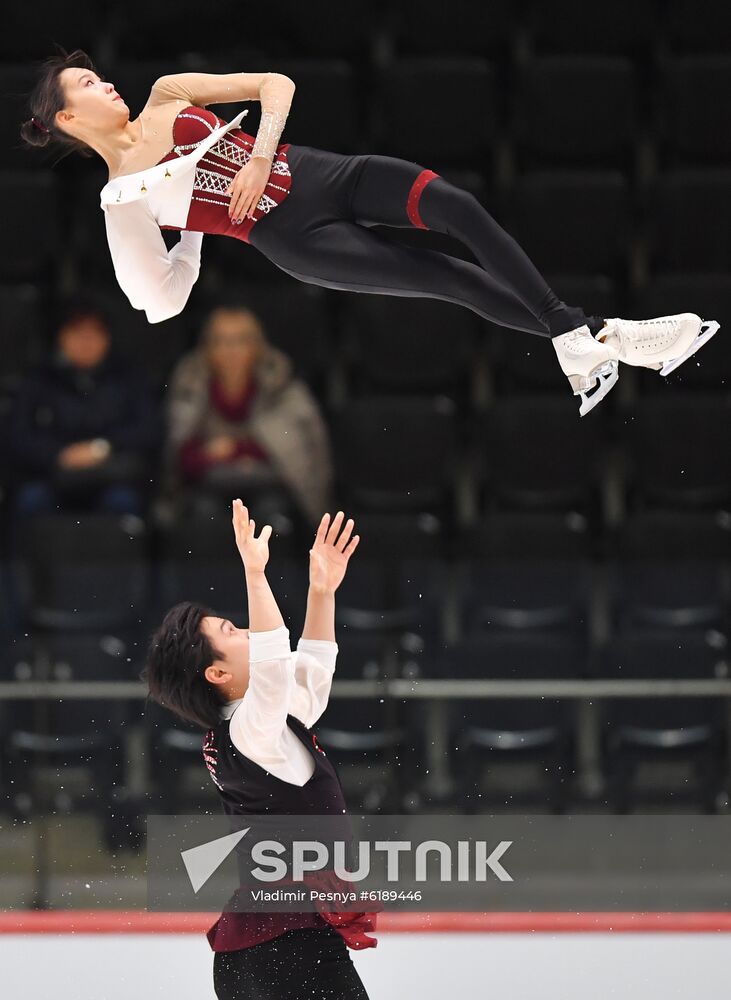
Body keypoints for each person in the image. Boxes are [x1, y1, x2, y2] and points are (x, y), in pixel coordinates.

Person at [20, 48, 720, 416]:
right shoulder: (122, 201)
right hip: (295, 238)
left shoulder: (169, 92)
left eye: (96, 73)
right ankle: (597, 337)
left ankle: (579, 338)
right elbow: (160, 300)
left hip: (323, 172)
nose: (104, 83)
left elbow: (275, 85)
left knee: (457, 207)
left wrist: (259, 157)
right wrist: (196, 231)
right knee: (448, 278)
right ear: (66, 120)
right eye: (84, 84)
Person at [143, 502, 375, 1000]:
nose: (247, 630)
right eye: (232, 632)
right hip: (285, 949)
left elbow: (309, 681)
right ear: (218, 675)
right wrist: (255, 573)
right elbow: (272, 666)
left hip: (270, 947)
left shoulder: (258, 730)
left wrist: (321, 591)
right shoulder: (250, 732)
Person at [164, 303, 333, 528]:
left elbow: (303, 456)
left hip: (273, 489)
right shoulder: (191, 387)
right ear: (207, 348)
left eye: (240, 340)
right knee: (205, 516)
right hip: (207, 489)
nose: (231, 350)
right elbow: (178, 456)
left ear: (257, 346)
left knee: (273, 517)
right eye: (221, 341)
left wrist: (233, 450)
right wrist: (212, 456)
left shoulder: (284, 387)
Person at [7, 296, 161, 517]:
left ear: (107, 338)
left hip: (111, 477)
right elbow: (18, 436)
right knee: (30, 500)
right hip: (51, 476)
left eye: (94, 333)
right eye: (78, 332)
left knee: (124, 502)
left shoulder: (129, 378)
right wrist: (60, 454)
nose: (86, 341)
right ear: (62, 336)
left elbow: (149, 430)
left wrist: (102, 448)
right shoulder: (38, 379)